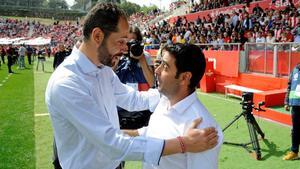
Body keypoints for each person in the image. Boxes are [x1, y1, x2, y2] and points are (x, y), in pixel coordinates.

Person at [45, 3, 218, 169]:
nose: (124, 49)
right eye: (120, 41)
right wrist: (183, 143)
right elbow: (113, 144)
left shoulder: (102, 70)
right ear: (97, 36)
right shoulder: (67, 83)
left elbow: (131, 99)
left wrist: (175, 93)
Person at [123, 44, 223, 169]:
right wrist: (115, 135)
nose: (156, 70)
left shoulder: (203, 128)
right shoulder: (164, 100)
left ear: (185, 77)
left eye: (165, 67)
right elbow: (150, 133)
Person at [115, 26, 155, 130]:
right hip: (121, 109)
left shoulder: (145, 56)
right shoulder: (117, 55)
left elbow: (151, 83)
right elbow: (108, 79)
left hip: (142, 109)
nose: (128, 45)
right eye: (125, 41)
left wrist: (141, 59)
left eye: (132, 42)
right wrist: (117, 56)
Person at [283, 63, 300, 160]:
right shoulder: (294, 70)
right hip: (295, 105)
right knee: (295, 130)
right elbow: (289, 86)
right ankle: (294, 152)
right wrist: (286, 102)